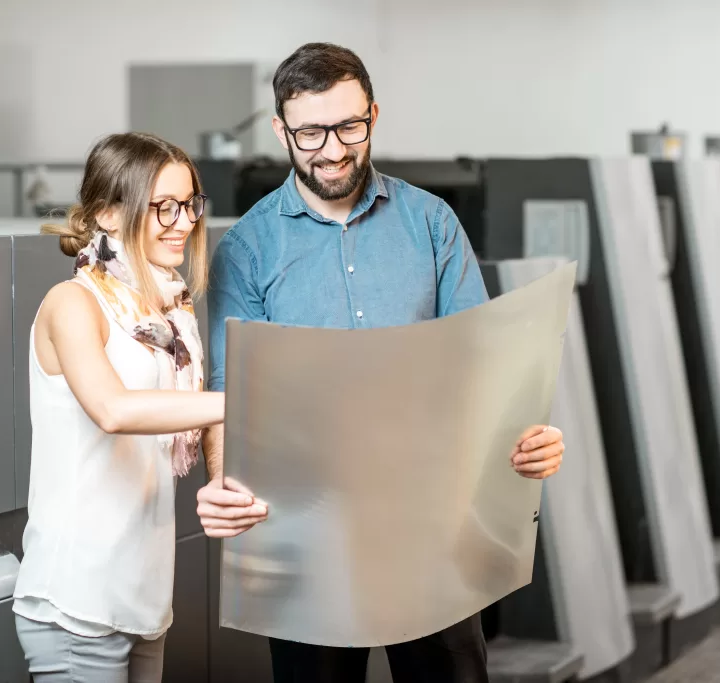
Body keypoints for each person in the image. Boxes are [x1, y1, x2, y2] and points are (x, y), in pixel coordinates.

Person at [197, 43, 565, 683]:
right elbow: (232, 394)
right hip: (307, 531)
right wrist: (227, 484)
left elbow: (481, 366)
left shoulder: (432, 223)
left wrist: (529, 438)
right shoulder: (249, 248)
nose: (333, 150)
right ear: (282, 130)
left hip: (431, 525)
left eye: (349, 126)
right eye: (311, 132)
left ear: (373, 115)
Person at [12, 132, 261, 683]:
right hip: (78, 596)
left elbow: (184, 419)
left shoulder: (169, 313)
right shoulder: (73, 304)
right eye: (162, 207)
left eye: (190, 203)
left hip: (143, 593)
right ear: (106, 212)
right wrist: (245, 398)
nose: (183, 221)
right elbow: (114, 410)